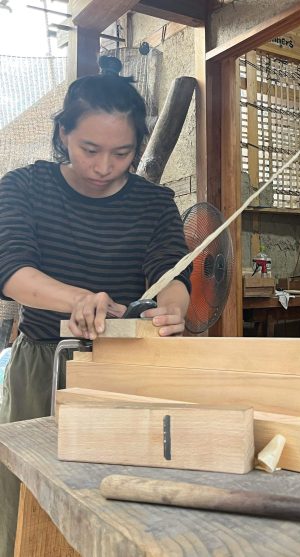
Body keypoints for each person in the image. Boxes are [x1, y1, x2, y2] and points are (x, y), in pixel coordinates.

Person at [0, 55, 191, 556]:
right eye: (90, 148)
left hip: (125, 368)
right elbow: (13, 272)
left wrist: (172, 309)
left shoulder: (154, 204)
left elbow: (172, 274)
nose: (104, 166)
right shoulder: (24, 188)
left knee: (120, 496)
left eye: (122, 153)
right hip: (44, 362)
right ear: (63, 133)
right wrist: (79, 300)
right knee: (29, 494)